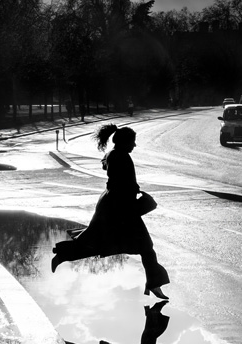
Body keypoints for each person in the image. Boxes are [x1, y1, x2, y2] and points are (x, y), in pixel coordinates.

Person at [51, 123, 170, 299]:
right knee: (140, 247)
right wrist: (134, 194)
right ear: (124, 142)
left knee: (106, 243)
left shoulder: (114, 154)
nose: (134, 145)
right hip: (120, 209)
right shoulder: (121, 157)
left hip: (115, 207)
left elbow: (118, 182)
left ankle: (63, 253)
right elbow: (119, 185)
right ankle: (154, 284)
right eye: (133, 142)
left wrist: (133, 190)